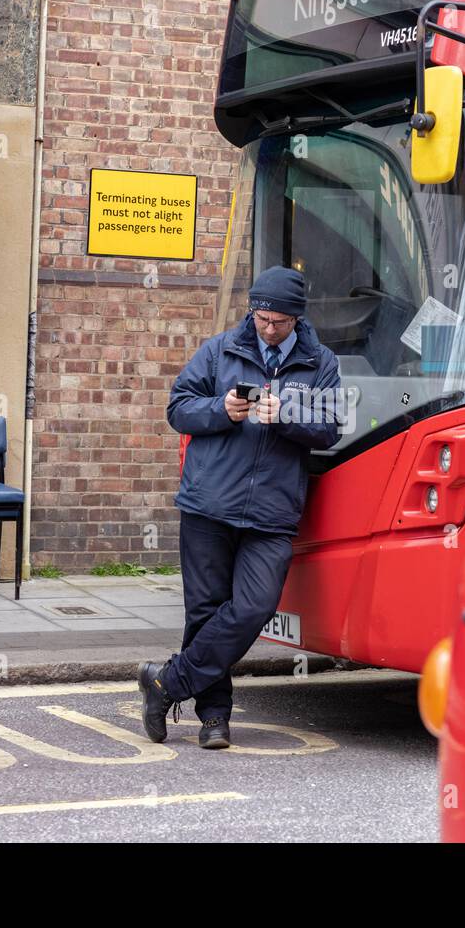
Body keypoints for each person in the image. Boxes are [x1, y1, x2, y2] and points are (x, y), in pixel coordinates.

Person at [140, 265, 343, 749]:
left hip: (272, 512)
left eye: (279, 322)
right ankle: (214, 718)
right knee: (206, 612)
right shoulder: (220, 350)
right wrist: (220, 411)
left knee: (254, 606)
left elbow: (333, 425)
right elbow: (177, 407)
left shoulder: (321, 363)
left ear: (297, 319)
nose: (268, 329)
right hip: (210, 504)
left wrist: (288, 415)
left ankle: (167, 682)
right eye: (262, 318)